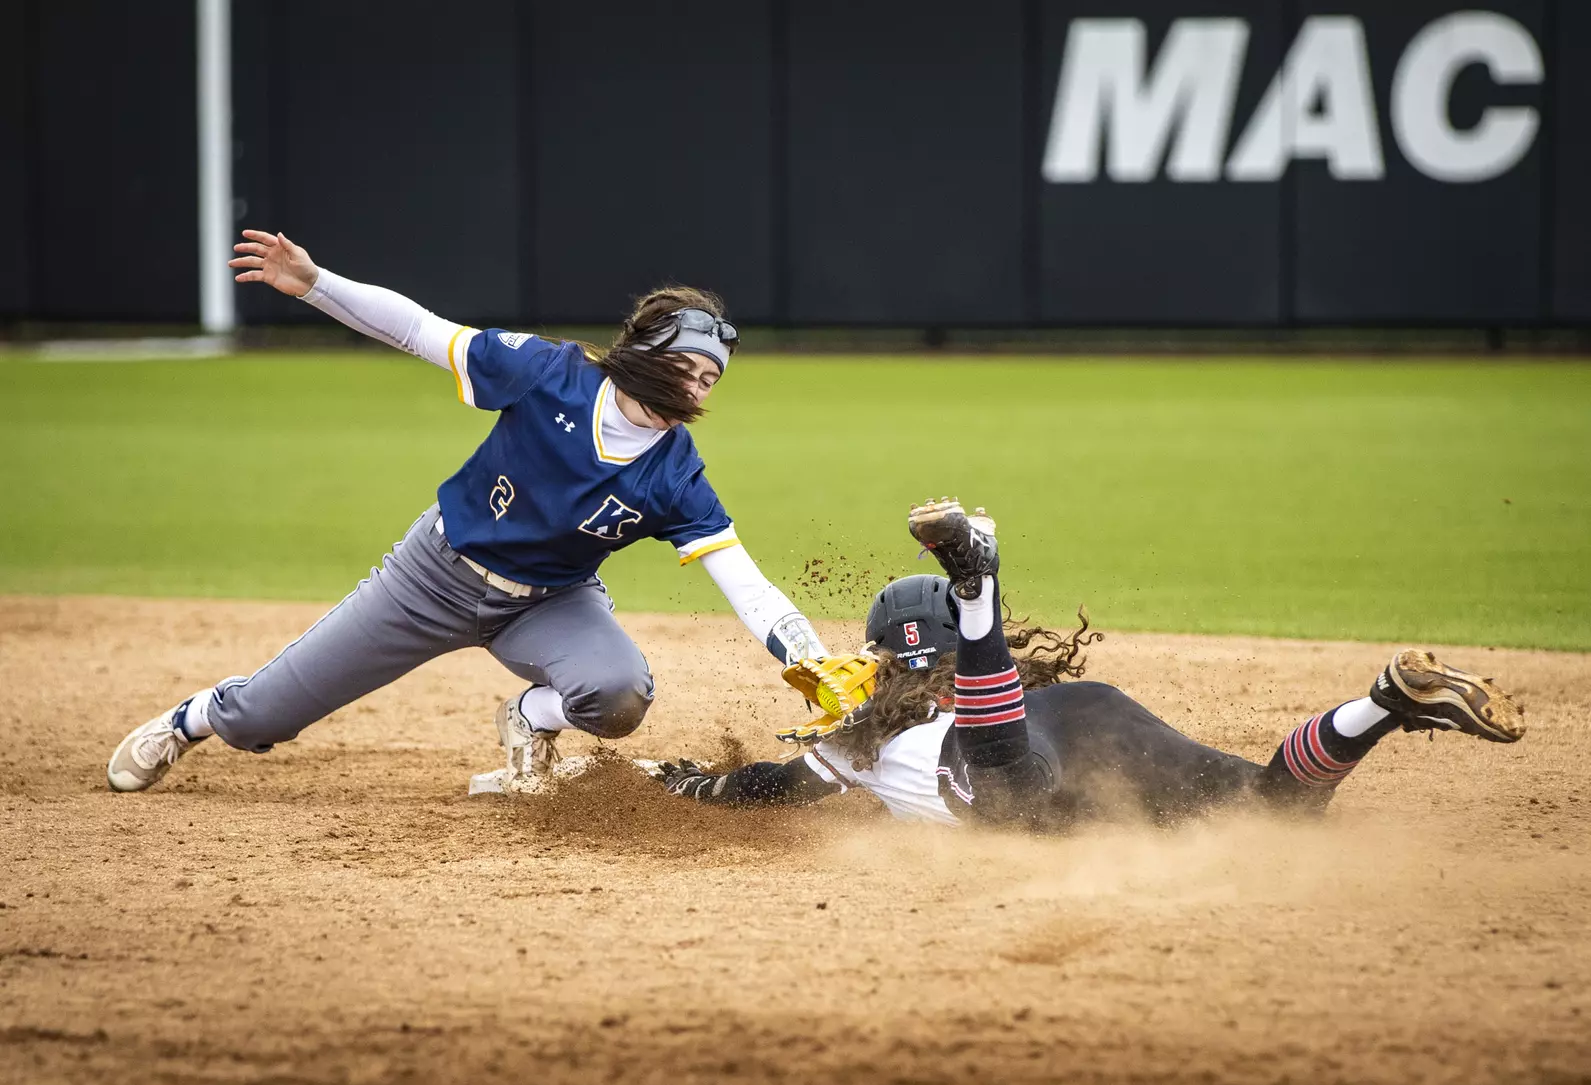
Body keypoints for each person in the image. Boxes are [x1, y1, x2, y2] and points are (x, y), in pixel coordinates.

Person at [108, 230, 844, 793]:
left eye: (710, 377)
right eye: (686, 366)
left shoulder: (675, 471)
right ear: (643, 353)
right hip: (432, 578)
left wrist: (809, 661)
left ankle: (529, 720)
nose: (697, 388)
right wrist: (315, 284)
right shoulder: (549, 373)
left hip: (550, 602)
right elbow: (418, 329)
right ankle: (190, 720)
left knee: (618, 694)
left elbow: (742, 580)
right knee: (264, 715)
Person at [655, 498, 1525, 827]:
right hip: (1087, 712)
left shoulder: (862, 736)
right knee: (1269, 809)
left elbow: (765, 789)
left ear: (888, 653)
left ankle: (977, 580)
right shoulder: (1046, 688)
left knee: (1010, 785)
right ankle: (1379, 702)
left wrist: (684, 781)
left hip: (1006, 751)